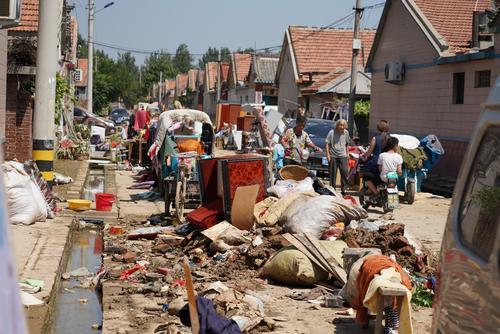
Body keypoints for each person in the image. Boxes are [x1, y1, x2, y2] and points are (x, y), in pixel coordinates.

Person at [362, 120, 390, 195]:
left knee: (365, 176)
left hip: (375, 162)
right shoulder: (391, 139)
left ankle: (375, 191)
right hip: (387, 163)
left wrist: (365, 155)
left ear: (378, 129)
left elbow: (368, 153)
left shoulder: (375, 138)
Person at [325, 119, 351, 194]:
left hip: (343, 155)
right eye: (341, 125)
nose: (342, 127)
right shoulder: (331, 132)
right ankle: (332, 189)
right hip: (333, 155)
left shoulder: (346, 132)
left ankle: (344, 189)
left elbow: (347, 144)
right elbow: (327, 143)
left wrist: (347, 153)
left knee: (345, 172)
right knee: (333, 174)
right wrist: (328, 155)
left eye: (344, 125)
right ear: (337, 125)